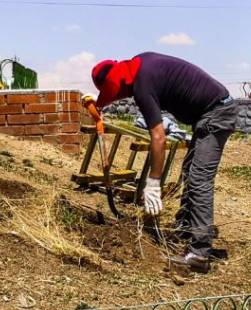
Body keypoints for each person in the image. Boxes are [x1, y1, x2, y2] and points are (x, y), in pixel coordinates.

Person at [89, 52, 239, 273]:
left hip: (216, 114)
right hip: (210, 113)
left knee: (199, 179)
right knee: (190, 172)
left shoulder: (141, 85)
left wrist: (153, 182)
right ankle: (186, 231)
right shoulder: (142, 65)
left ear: (119, 84)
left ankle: (199, 254)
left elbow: (158, 136)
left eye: (116, 92)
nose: (120, 96)